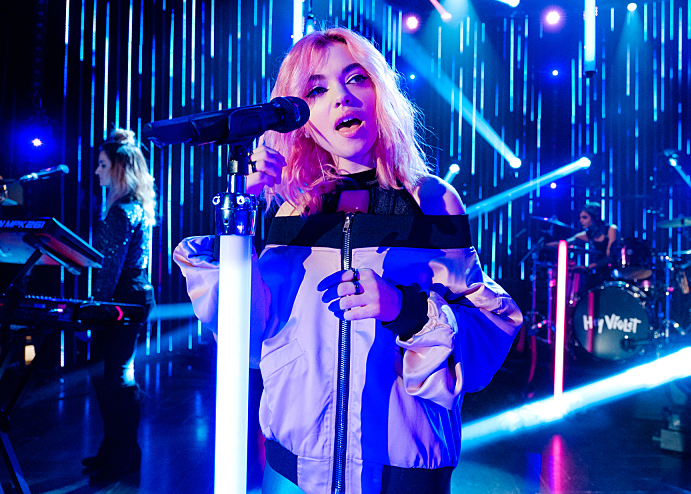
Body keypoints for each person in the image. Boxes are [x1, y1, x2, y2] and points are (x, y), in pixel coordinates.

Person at [174, 27, 522, 494]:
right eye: (317, 90)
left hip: (402, 471)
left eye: (357, 79)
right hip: (297, 469)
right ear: (297, 115)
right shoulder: (291, 209)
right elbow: (247, 333)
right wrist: (242, 211)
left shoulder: (431, 201)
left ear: (380, 93)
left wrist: (405, 310)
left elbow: (488, 332)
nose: (342, 97)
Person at [82, 128, 156, 484]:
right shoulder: (135, 207)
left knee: (114, 378)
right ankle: (117, 449)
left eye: (102, 165)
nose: (97, 171)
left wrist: (94, 308)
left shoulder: (120, 212)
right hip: (135, 296)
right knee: (114, 376)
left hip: (121, 299)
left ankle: (122, 454)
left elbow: (109, 269)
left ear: (118, 169)